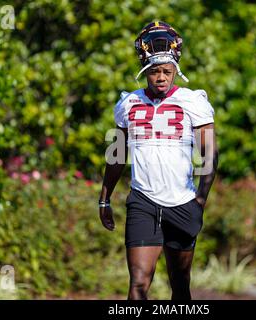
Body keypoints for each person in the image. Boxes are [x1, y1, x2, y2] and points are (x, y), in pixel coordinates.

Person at [99, 21, 218, 300]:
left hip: (183, 202)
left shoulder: (193, 102)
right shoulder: (128, 103)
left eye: (167, 71)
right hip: (143, 202)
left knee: (180, 286)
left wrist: (200, 199)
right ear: (145, 73)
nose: (161, 77)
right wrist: (104, 199)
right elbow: (116, 154)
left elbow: (209, 153)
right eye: (154, 72)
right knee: (138, 283)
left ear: (176, 70)